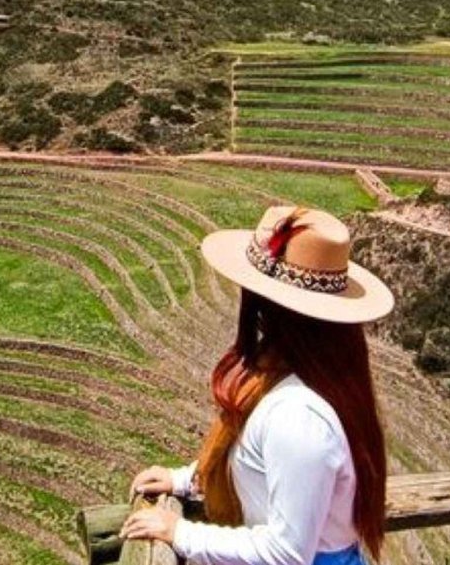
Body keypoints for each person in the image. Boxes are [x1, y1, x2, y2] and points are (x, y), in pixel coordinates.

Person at [119, 206, 395, 565]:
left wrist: (180, 533)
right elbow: (265, 470)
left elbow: (287, 553)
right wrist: (189, 479)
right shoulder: (312, 381)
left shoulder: (299, 416)